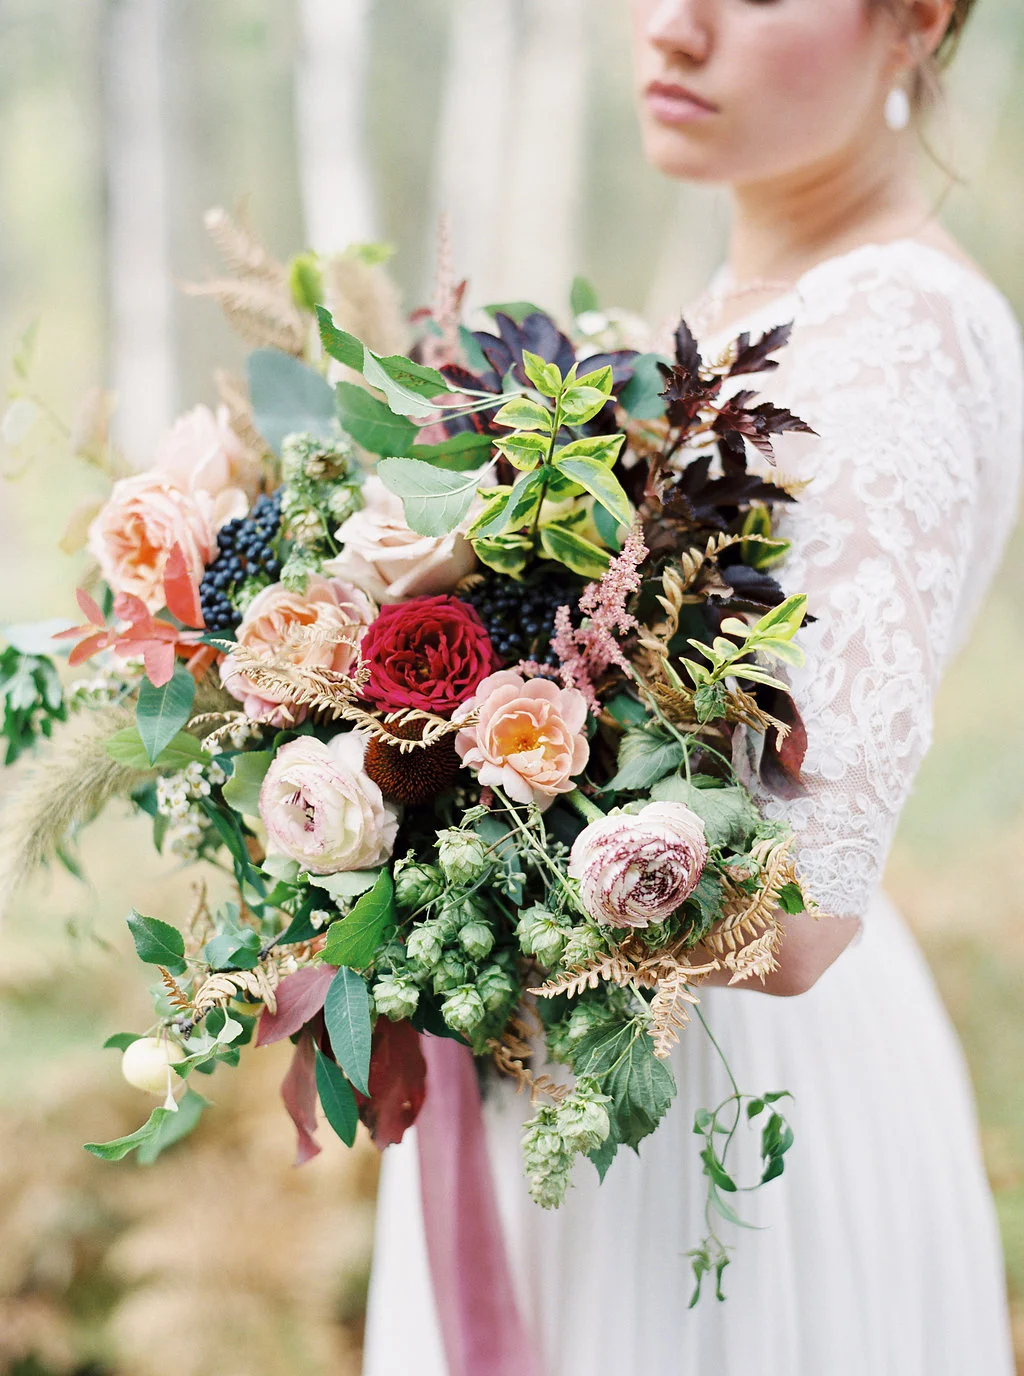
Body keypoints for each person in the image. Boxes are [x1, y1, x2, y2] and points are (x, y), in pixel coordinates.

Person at [363, 1, 1022, 1371]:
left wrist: (457, 790)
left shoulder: (895, 330)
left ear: (918, 17)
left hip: (711, 1118)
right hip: (575, 1067)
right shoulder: (726, 317)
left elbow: (793, 912)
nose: (671, 27)